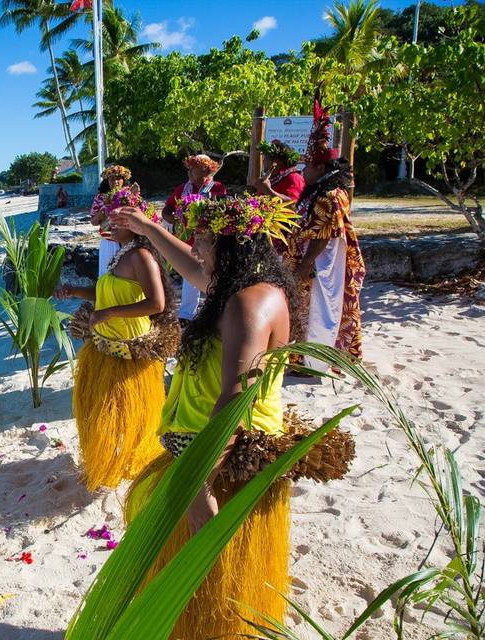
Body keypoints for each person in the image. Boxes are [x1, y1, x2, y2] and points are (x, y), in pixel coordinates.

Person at [108, 196, 311, 638]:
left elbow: (233, 403)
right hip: (199, 439)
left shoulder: (248, 303)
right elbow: (190, 266)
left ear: (230, 243)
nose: (196, 246)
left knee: (205, 571)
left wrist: (198, 485)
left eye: (202, 238)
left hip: (217, 452)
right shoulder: (238, 284)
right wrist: (147, 228)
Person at [56, 206, 178, 492]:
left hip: (129, 348)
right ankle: (111, 459)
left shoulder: (141, 256)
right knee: (100, 409)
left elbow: (156, 304)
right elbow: (106, 293)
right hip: (105, 344)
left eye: (119, 220)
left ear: (136, 226)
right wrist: (74, 290)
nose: (111, 222)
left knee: (128, 412)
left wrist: (108, 313)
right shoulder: (121, 254)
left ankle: (124, 461)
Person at [284, 101, 365, 369]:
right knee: (305, 310)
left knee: (319, 310)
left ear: (320, 169)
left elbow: (325, 234)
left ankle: (315, 363)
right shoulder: (317, 191)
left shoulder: (331, 196)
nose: (302, 172)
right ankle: (301, 357)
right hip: (309, 261)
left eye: (307, 167)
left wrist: (306, 265)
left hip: (322, 266)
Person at [161, 154, 227, 323]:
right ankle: (186, 314)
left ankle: (214, 313)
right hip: (186, 239)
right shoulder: (182, 189)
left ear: (205, 169)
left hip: (208, 241)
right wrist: (178, 220)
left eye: (193, 167)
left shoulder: (217, 187)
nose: (189, 171)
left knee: (212, 273)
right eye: (188, 167)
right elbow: (167, 210)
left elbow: (221, 210)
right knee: (189, 274)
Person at [90, 165, 130, 277]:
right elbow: (93, 221)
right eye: (112, 179)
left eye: (118, 178)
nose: (116, 182)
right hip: (108, 242)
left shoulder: (130, 195)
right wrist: (103, 211)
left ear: (124, 180)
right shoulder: (100, 198)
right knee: (107, 274)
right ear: (107, 181)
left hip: (127, 241)